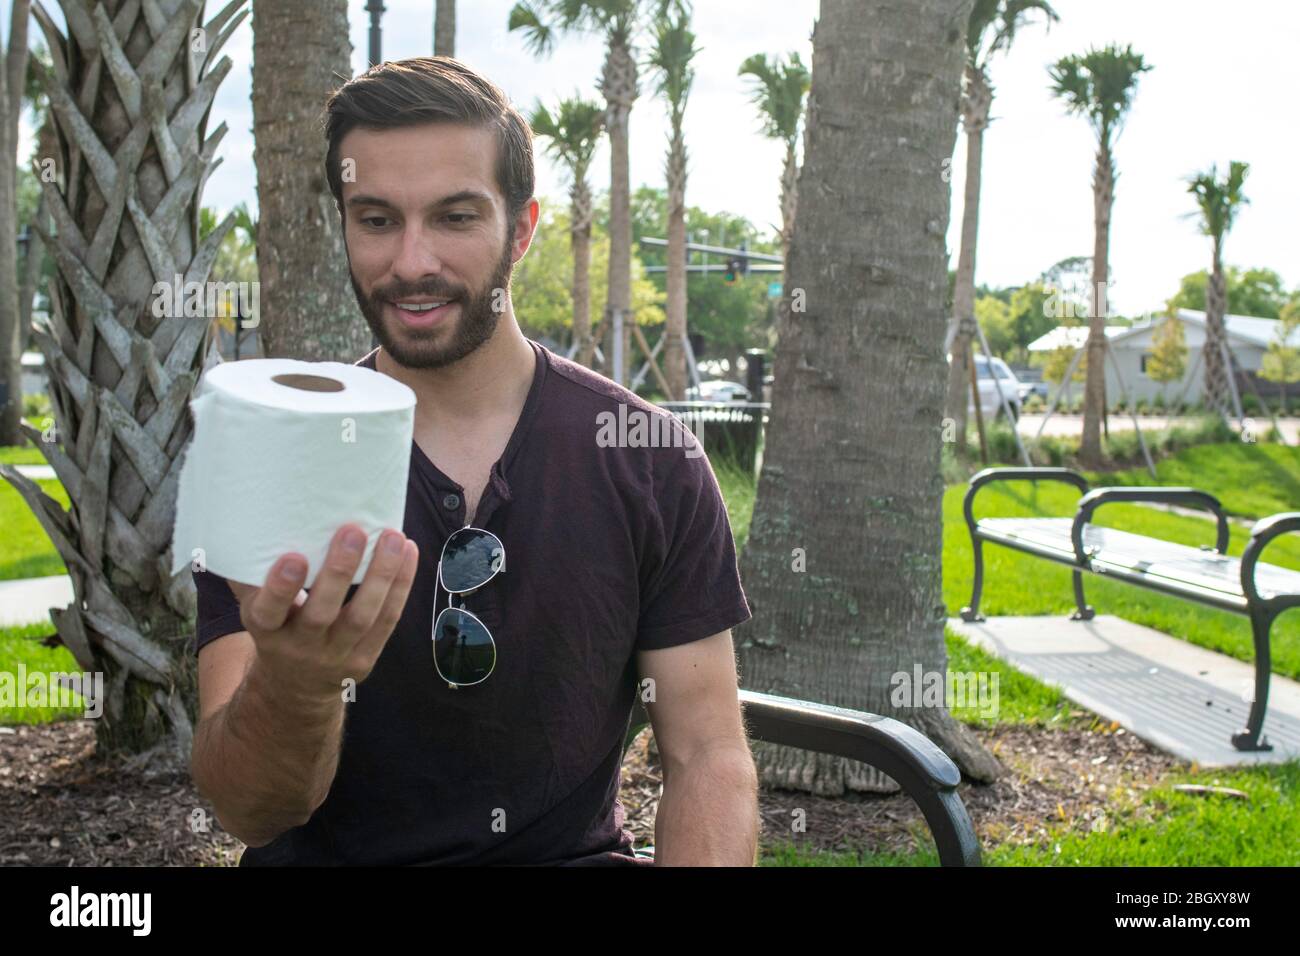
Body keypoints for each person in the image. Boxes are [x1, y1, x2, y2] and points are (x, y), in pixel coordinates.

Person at [188, 56, 758, 866]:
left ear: (521, 228)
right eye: (377, 219)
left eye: (455, 217)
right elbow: (251, 808)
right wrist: (299, 680)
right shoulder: (272, 463)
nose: (413, 262)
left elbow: (707, 756)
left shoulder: (649, 461)